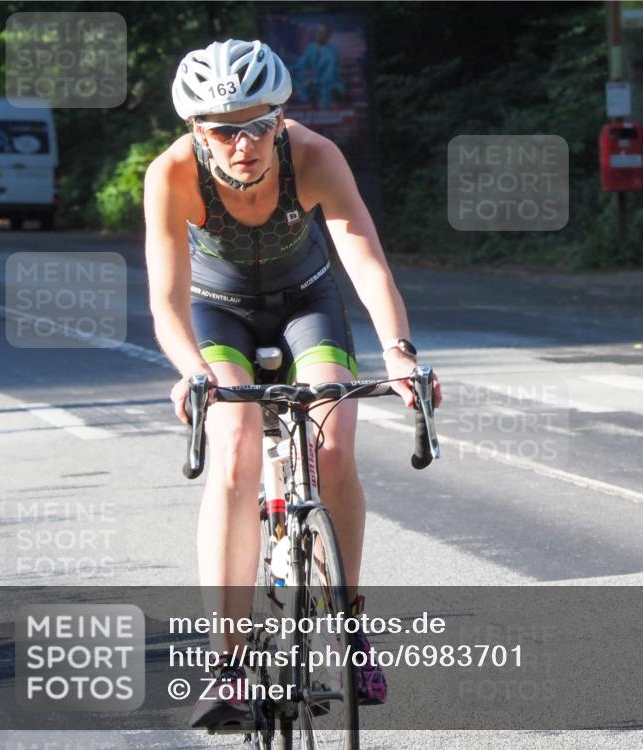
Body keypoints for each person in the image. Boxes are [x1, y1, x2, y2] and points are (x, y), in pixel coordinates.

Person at [143, 39, 441, 727]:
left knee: (334, 443)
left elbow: (366, 262)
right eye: (224, 129)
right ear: (197, 131)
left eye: (258, 123)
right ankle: (229, 662)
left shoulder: (313, 155)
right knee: (237, 446)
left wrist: (399, 354)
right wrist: (191, 372)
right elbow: (165, 300)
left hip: (308, 300)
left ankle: (350, 628)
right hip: (219, 315)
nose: (243, 143)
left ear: (281, 119)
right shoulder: (172, 174)